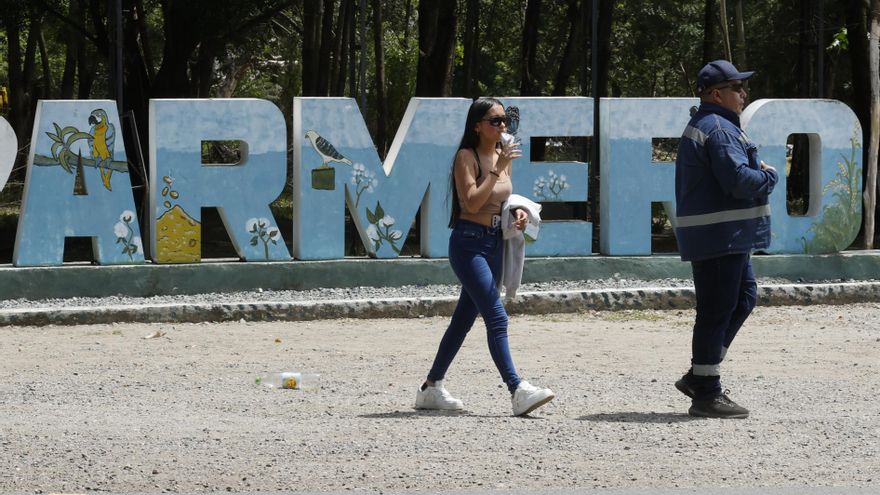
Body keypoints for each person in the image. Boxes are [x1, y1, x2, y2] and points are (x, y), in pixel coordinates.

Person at [415, 97, 555, 416]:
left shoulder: (501, 155)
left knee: (463, 320)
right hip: (468, 245)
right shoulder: (466, 157)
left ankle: (431, 388)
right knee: (497, 316)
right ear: (477, 126)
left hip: (493, 243)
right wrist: (498, 168)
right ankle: (517, 389)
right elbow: (473, 203)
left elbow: (501, 201)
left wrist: (517, 212)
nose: (502, 125)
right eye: (495, 120)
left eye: (505, 120)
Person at [673, 60, 779, 419]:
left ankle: (699, 376)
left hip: (727, 237)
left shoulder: (715, 125)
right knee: (716, 311)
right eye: (737, 88)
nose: (743, 93)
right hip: (720, 237)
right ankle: (706, 392)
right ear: (716, 94)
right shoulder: (718, 128)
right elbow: (737, 181)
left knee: (743, 299)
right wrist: (769, 177)